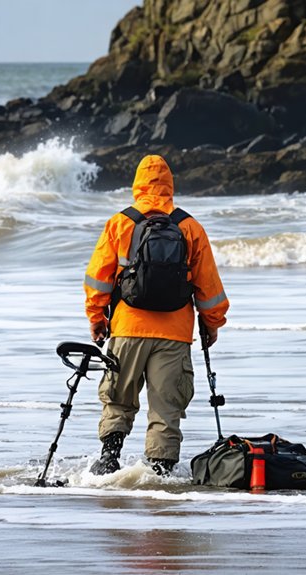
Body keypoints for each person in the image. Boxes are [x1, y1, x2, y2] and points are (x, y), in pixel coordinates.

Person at [83, 155, 229, 476]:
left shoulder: (121, 223)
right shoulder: (189, 226)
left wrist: (97, 317)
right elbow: (209, 287)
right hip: (174, 334)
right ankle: (160, 473)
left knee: (119, 398)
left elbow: (98, 278)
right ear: (170, 185)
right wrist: (212, 324)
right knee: (166, 407)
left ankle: (109, 458)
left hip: (127, 327)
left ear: (136, 184)